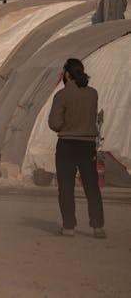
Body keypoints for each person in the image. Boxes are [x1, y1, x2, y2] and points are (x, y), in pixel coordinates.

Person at [48, 58, 105, 238]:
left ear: (67, 73)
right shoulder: (92, 94)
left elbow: (55, 123)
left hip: (67, 145)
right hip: (87, 146)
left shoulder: (62, 95)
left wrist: (67, 124)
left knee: (66, 187)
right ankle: (98, 227)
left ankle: (69, 227)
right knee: (91, 186)